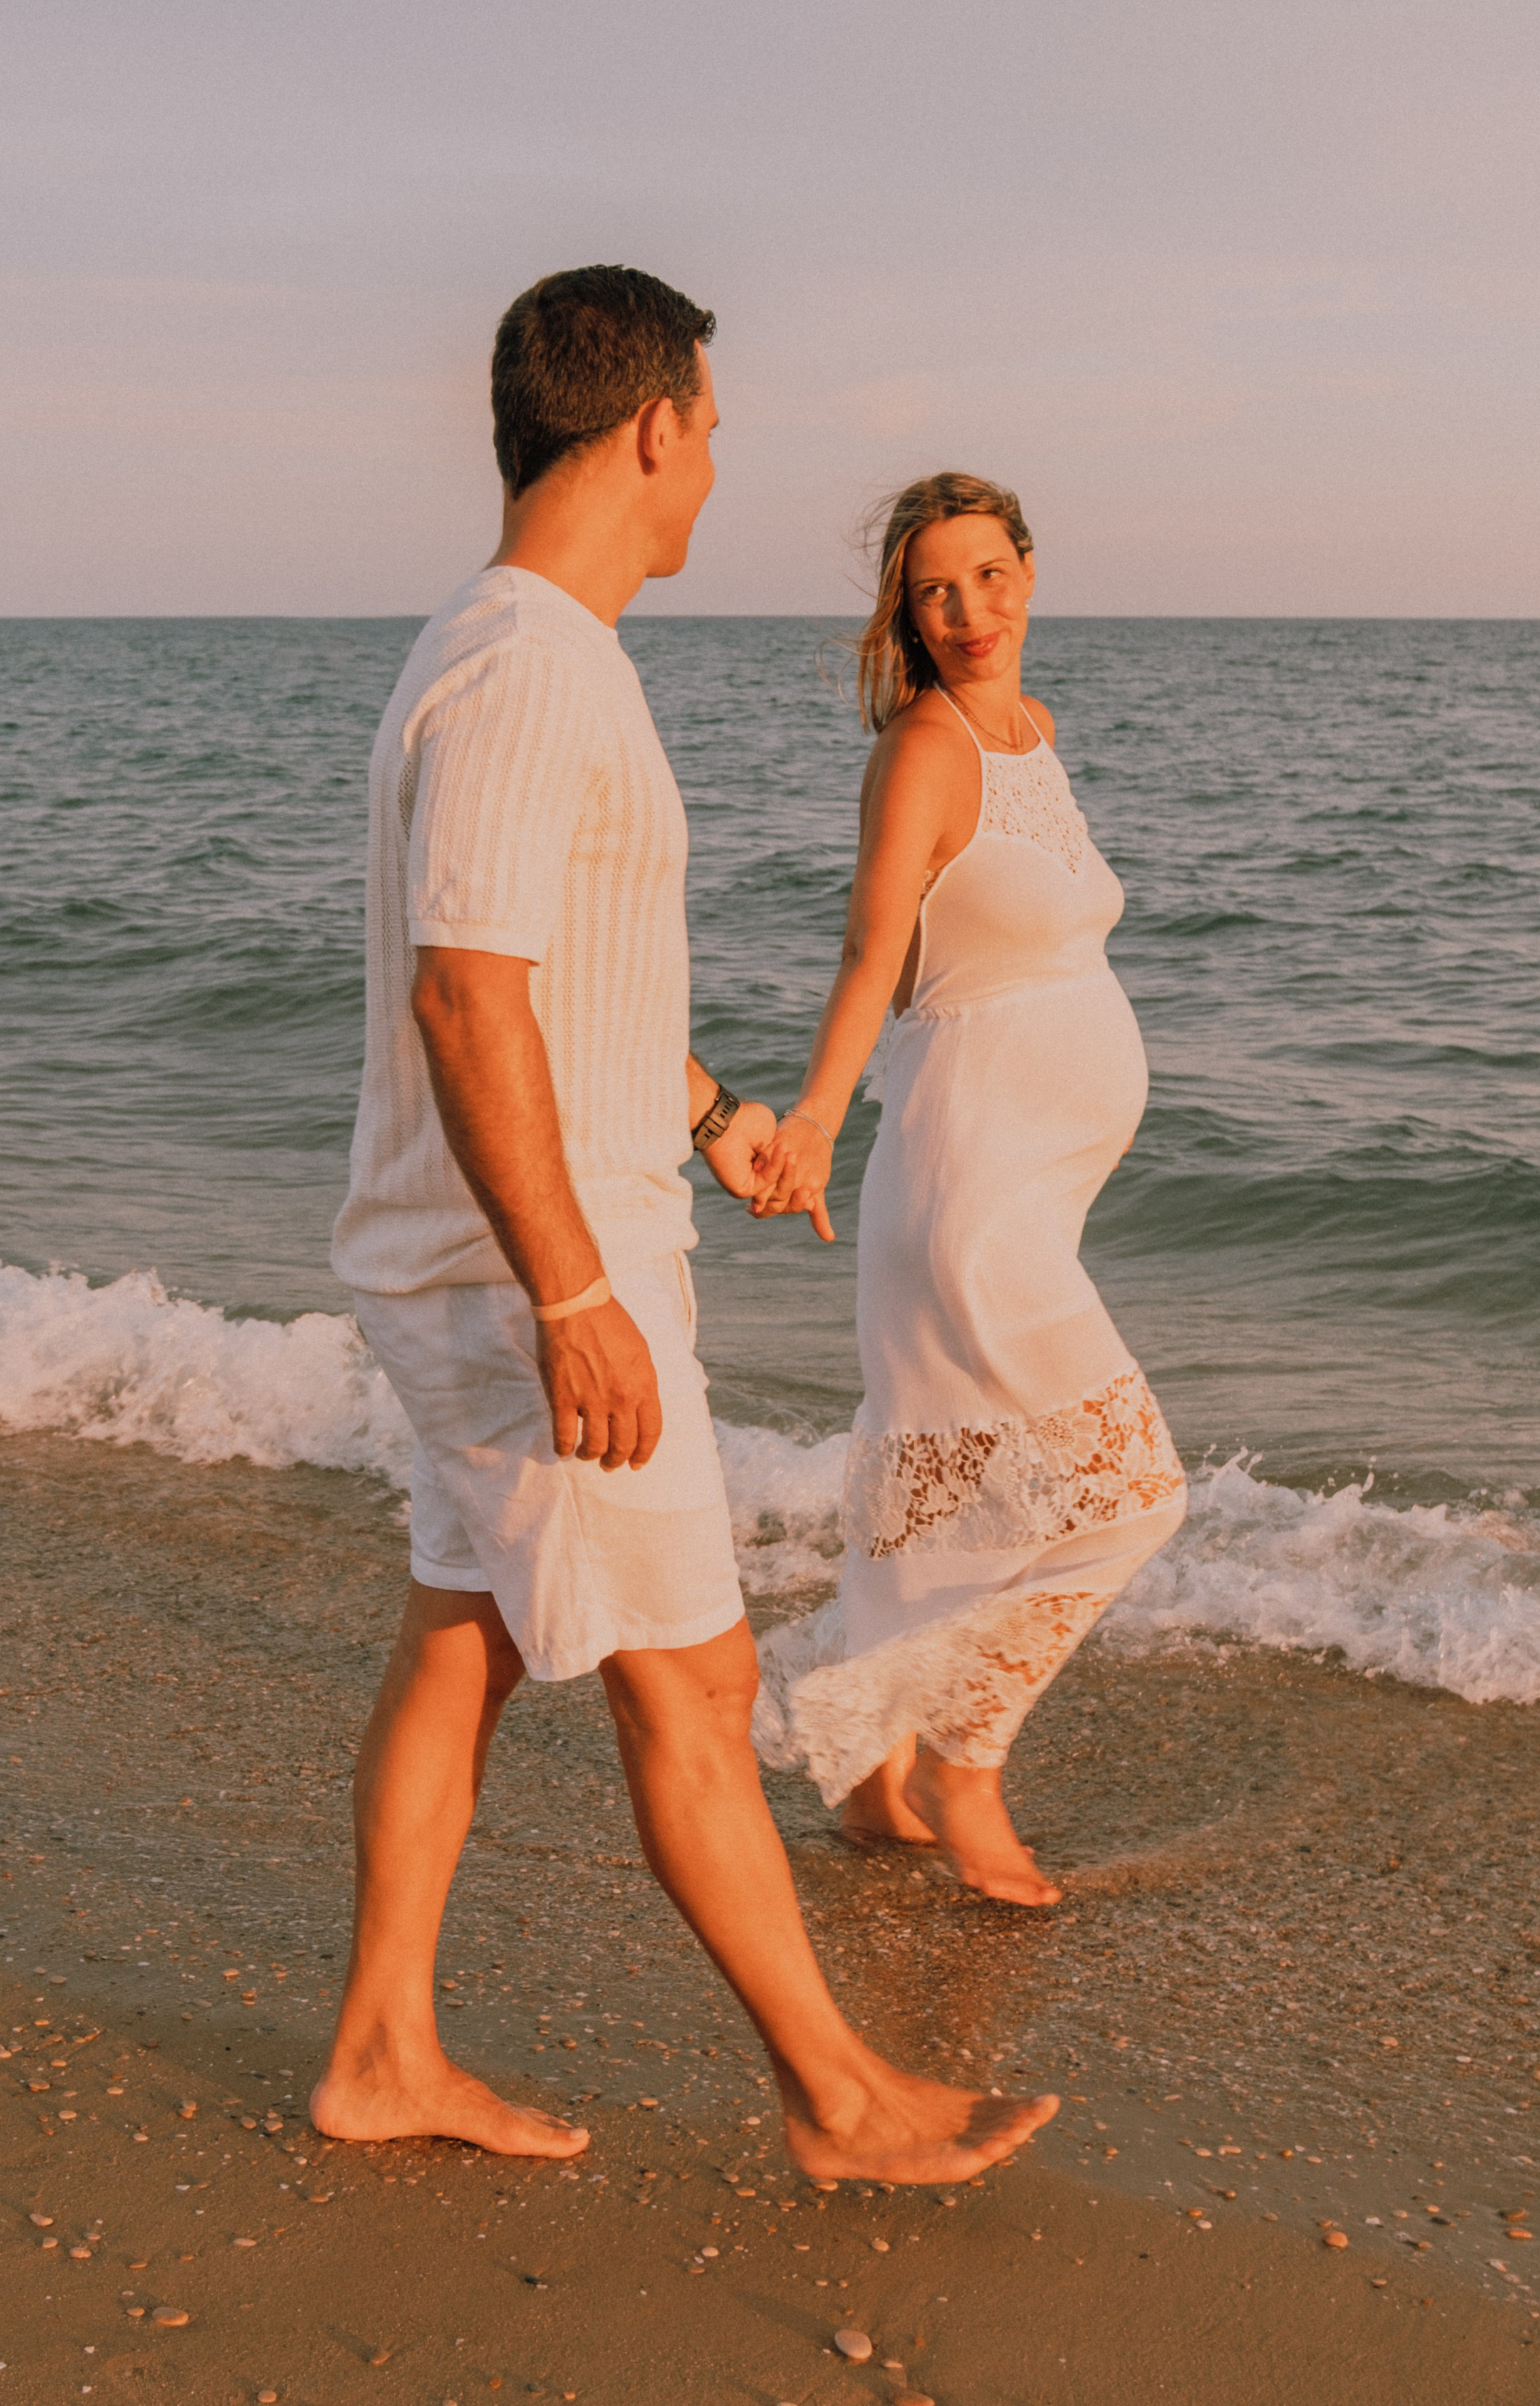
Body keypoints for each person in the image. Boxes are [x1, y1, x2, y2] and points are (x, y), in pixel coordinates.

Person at [312, 277, 1058, 2182]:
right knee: (695, 1678)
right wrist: (574, 1288)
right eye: (710, 428)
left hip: (514, 1239)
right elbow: (469, 998)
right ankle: (844, 2097)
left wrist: (719, 1114)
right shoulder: (529, 662)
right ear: (647, 424)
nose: (716, 464)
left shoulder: (511, 650)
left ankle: (383, 2049)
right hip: (524, 1269)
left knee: (463, 1638)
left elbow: (568, 996)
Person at [750, 472, 1187, 1903]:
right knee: (1130, 1491)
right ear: (905, 608)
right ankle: (966, 1760)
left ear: (1030, 574)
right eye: (934, 589)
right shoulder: (926, 752)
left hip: (1020, 1185)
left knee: (936, 1499)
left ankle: (872, 1775)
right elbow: (870, 955)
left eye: (988, 577)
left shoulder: (1029, 736)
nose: (967, 612)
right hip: (965, 1184)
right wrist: (812, 1115)